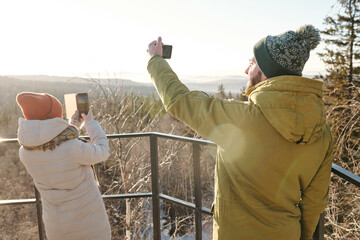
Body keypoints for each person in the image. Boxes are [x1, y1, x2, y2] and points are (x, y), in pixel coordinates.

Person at [147, 25, 333, 240]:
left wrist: (155, 60)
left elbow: (180, 101)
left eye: (252, 63)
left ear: (267, 72)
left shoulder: (242, 119)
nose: (246, 70)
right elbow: (314, 202)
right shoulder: (321, 132)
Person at [16, 92, 111, 240]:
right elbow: (103, 151)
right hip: (87, 225)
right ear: (53, 117)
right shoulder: (72, 147)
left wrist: (73, 124)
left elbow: (51, 141)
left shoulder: (25, 152)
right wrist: (91, 122)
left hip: (56, 227)